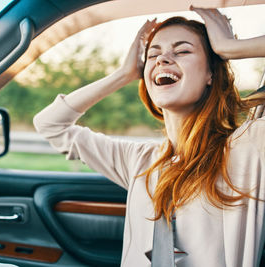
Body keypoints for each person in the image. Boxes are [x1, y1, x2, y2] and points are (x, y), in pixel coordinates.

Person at [33, 6, 265, 267]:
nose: (162, 59)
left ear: (211, 73)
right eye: (153, 54)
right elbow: (50, 124)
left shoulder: (249, 148)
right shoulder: (140, 161)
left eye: (182, 51)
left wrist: (230, 48)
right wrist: (123, 74)